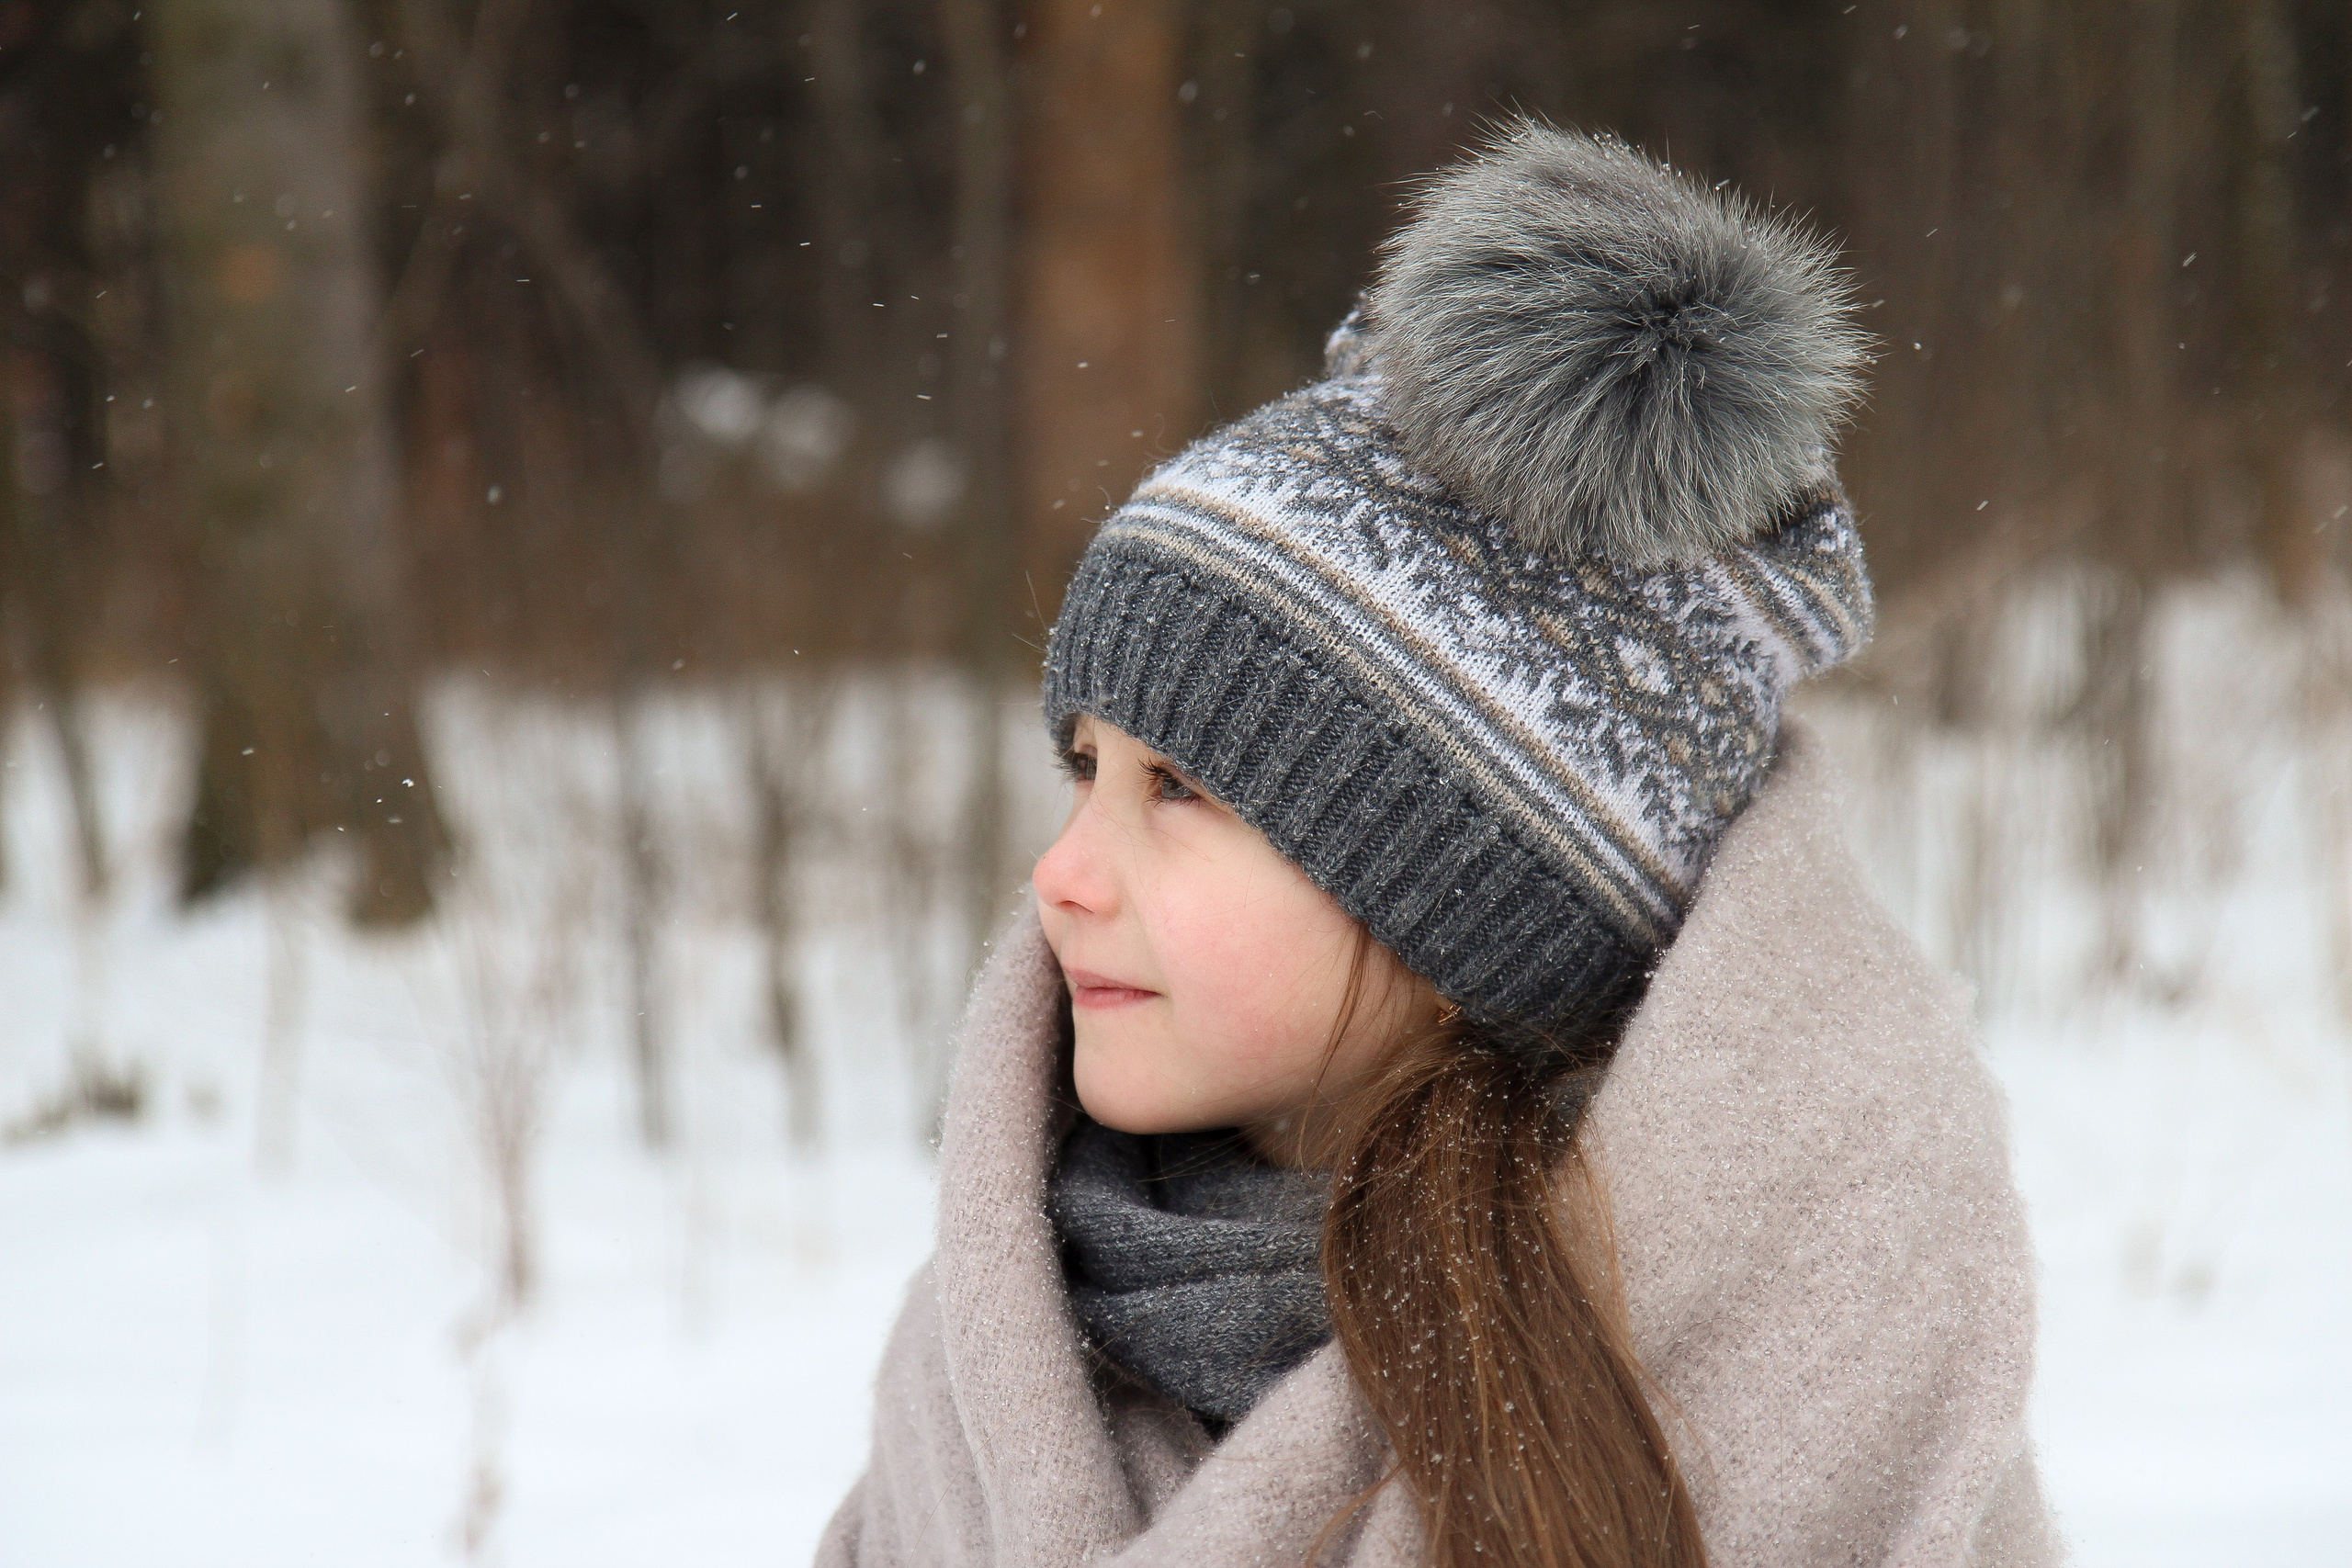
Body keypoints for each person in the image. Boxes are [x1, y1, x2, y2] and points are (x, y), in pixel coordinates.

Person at [817, 122, 2059, 1568]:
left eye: (1181, 793)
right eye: (1084, 771)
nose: (1060, 875)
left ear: (1472, 902)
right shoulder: (991, 1345)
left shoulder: (1805, 1371)